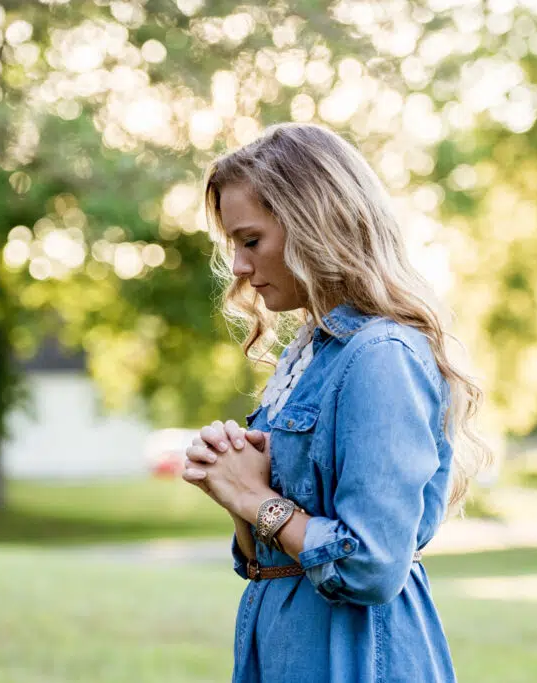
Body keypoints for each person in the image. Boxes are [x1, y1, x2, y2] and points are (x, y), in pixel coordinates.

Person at [180, 123, 489, 683]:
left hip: (356, 657)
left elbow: (369, 565)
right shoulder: (311, 355)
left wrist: (255, 499)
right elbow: (261, 564)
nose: (240, 269)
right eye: (234, 246)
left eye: (251, 241)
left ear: (313, 224)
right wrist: (230, 482)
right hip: (285, 647)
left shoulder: (379, 355)